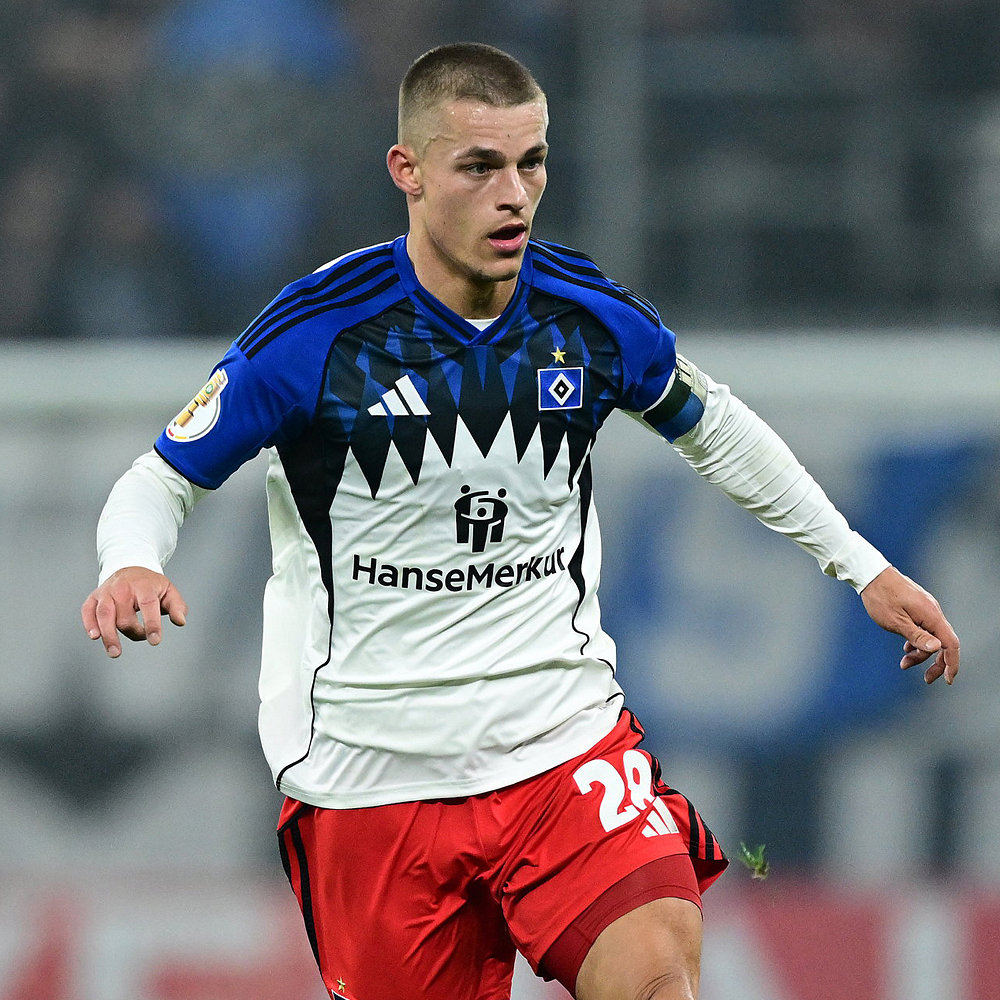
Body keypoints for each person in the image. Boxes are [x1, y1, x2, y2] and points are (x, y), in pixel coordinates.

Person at [82, 42, 960, 1000]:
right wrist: (131, 560)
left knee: (657, 972)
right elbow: (161, 476)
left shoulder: (586, 317)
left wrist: (860, 565)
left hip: (561, 744)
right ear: (408, 171)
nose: (514, 196)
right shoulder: (314, 337)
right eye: (480, 167)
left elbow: (719, 430)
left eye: (531, 163)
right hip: (373, 778)